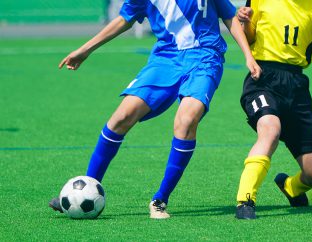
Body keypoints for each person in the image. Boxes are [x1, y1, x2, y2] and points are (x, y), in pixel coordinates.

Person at [49, 0, 262, 219]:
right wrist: (85, 50)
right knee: (121, 118)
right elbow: (125, 20)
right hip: (165, 58)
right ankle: (85, 188)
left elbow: (229, 17)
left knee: (186, 121)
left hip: (205, 56)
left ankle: (160, 200)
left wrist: (248, 56)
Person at [234, 0, 312, 219]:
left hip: (296, 86)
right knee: (270, 129)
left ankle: (290, 187)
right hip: (262, 78)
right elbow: (249, 35)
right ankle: (245, 200)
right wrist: (244, 21)